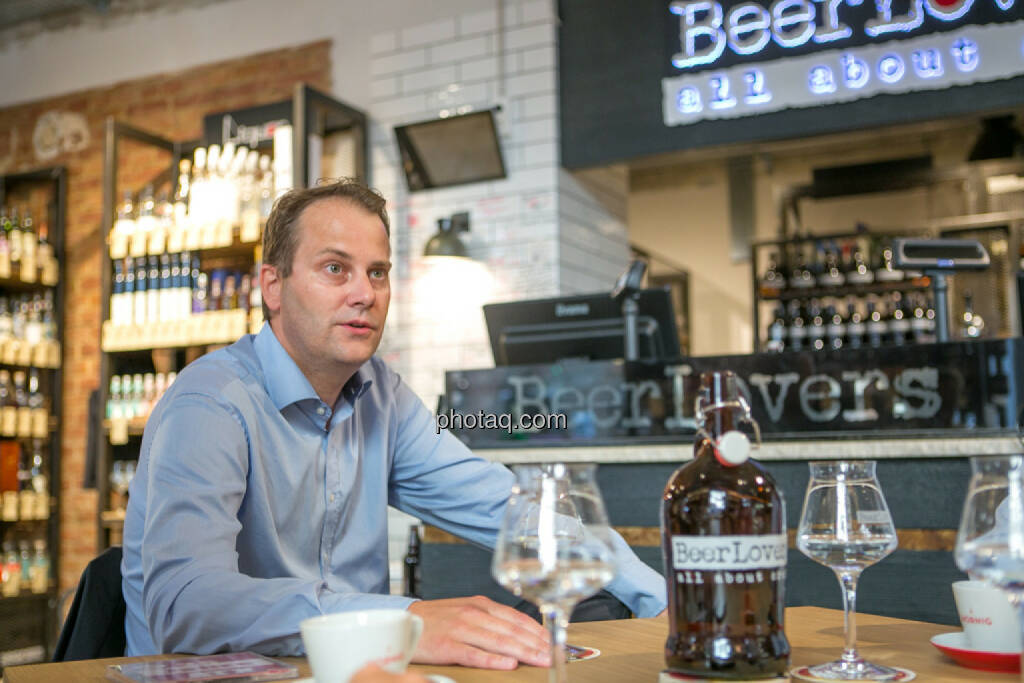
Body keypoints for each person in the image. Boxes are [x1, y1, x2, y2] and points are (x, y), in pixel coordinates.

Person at [121, 179, 667, 668]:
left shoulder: (382, 394)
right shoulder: (210, 403)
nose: (365, 294)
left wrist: (663, 602)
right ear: (273, 286)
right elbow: (187, 605)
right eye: (335, 268)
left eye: (376, 272)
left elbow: (506, 508)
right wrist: (405, 621)